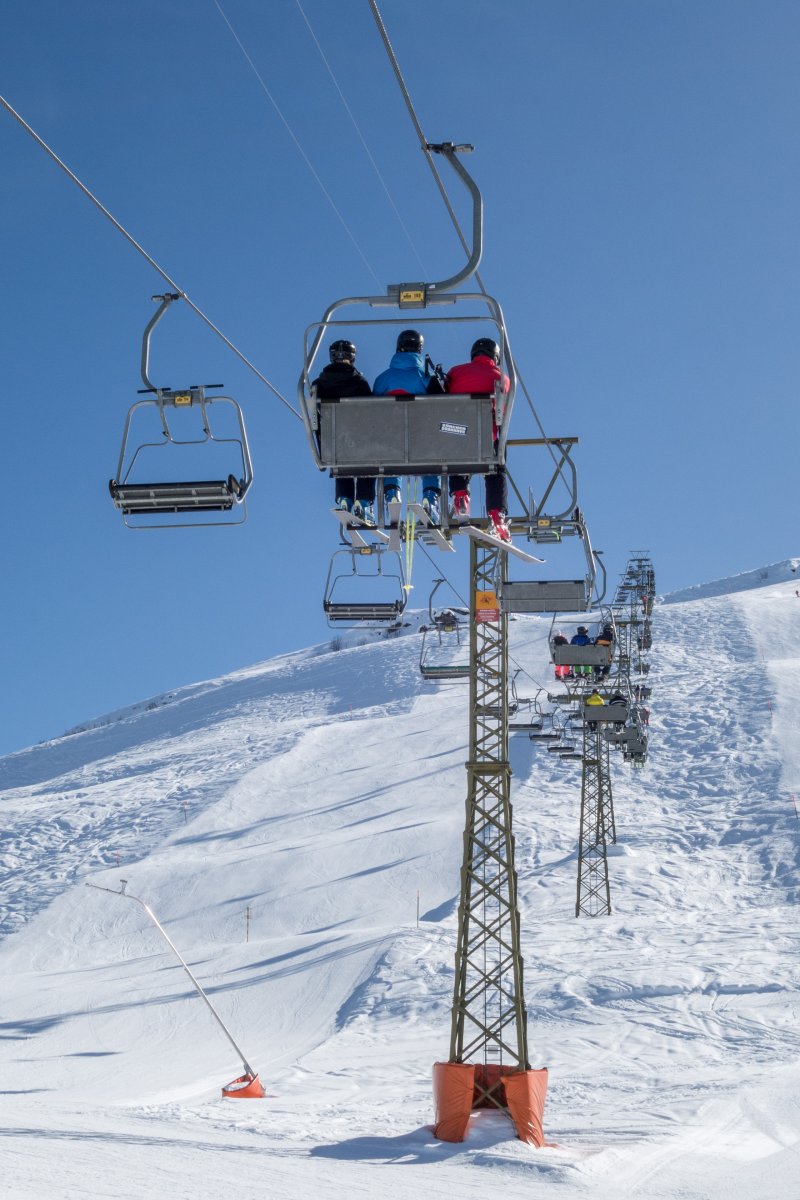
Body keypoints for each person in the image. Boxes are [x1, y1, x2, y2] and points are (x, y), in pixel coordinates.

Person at [373, 330, 444, 520]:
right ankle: (430, 496)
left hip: (391, 435)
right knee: (433, 452)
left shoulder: (382, 380)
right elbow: (442, 405)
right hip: (422, 436)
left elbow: (371, 410)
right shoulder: (426, 379)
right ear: (419, 350)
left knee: (390, 452)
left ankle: (392, 492)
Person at [444, 338, 510, 540]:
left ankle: (459, 492)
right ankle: (497, 512)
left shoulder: (455, 372)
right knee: (497, 462)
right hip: (485, 440)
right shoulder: (502, 378)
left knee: (452, 454)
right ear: (495, 357)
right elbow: (503, 412)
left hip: (456, 435)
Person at [312, 340, 374, 521]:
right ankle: (362, 501)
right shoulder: (358, 381)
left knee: (341, 461)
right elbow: (371, 409)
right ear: (352, 358)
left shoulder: (319, 383)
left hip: (331, 438)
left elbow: (313, 408)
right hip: (358, 436)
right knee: (369, 461)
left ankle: (345, 498)